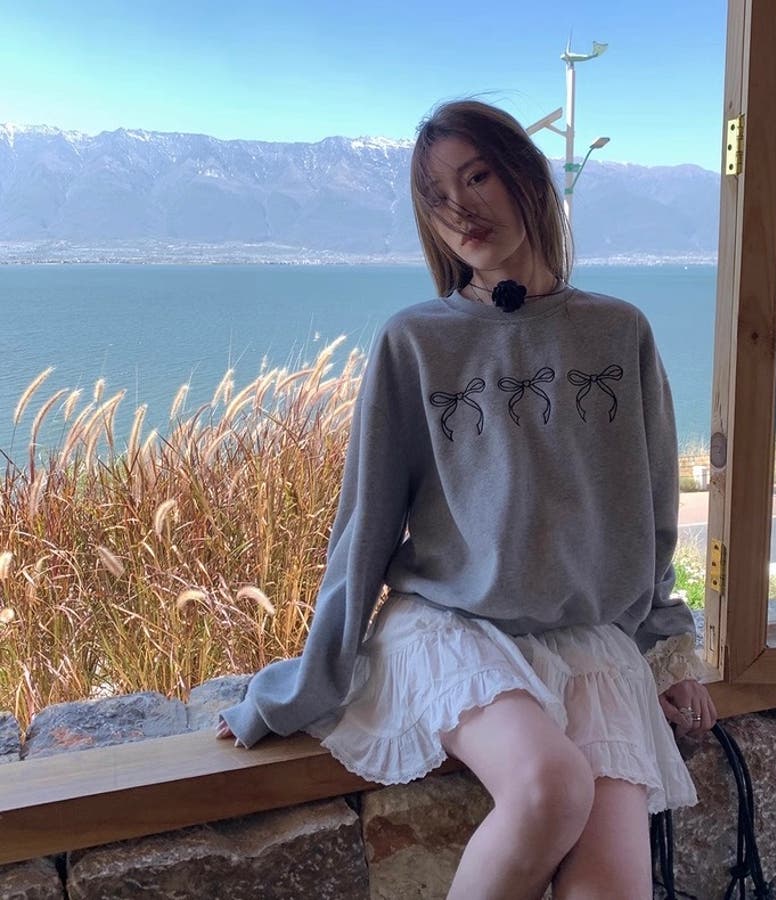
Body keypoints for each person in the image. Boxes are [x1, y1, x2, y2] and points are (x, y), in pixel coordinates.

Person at [217, 99, 716, 899]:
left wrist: (667, 646)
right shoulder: (415, 340)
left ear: (527, 176)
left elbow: (652, 509)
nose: (459, 209)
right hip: (450, 628)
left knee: (614, 891)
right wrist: (305, 686)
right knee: (549, 787)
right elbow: (365, 525)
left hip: (588, 642)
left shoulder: (619, 332)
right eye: (437, 195)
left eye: (477, 177)